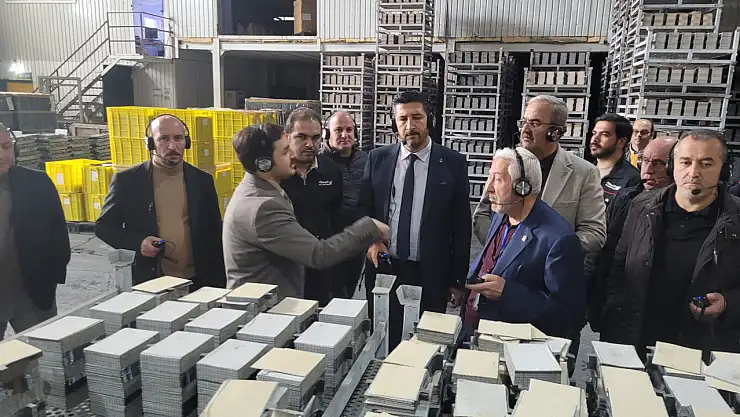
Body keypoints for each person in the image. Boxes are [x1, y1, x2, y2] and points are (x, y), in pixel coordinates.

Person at [605, 130, 740, 356]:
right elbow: (619, 265)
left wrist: (728, 304)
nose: (693, 172)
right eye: (685, 162)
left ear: (724, 170)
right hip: (636, 339)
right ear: (672, 166)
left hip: (702, 347)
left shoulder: (736, 218)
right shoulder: (641, 206)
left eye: (706, 164)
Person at [359, 91, 471, 350]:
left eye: (417, 117)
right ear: (394, 124)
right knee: (382, 339)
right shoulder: (377, 159)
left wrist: (457, 281)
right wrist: (372, 241)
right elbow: (363, 210)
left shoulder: (452, 163)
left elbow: (461, 226)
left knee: (426, 345)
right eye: (403, 119)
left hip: (431, 273)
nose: (410, 125)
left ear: (429, 120)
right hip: (386, 267)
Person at [223, 124, 389, 298]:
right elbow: (318, 255)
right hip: (264, 309)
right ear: (264, 164)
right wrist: (370, 227)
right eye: (285, 151)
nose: (292, 155)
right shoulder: (263, 207)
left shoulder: (260, 191)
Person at [464, 147, 585, 338]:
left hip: (511, 343)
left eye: (498, 179)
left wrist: (508, 293)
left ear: (522, 187)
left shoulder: (559, 239)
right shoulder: (502, 214)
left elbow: (568, 315)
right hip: (476, 332)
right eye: (490, 177)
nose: (488, 188)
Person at [95, 114, 225, 289]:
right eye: (164, 139)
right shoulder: (128, 181)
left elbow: (215, 233)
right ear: (150, 144)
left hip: (198, 281)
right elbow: (104, 227)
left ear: (186, 142)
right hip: (152, 281)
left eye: (178, 138)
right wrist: (139, 242)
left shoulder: (202, 181)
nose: (172, 146)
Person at [474, 95, 606, 254]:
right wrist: (500, 247)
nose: (525, 130)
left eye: (535, 123)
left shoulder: (584, 173)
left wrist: (548, 250)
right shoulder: (504, 162)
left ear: (555, 132)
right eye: (524, 122)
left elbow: (594, 233)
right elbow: (482, 215)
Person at [585, 137, 677, 333]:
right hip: (617, 309)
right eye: (645, 160)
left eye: (658, 163)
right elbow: (603, 249)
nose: (648, 170)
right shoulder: (626, 198)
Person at [0, 124, 70, 339]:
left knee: (43, 352)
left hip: (31, 295)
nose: (1, 155)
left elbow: (59, 235)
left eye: (6, 147)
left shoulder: (37, 183)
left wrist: (51, 279)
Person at [280, 108, 344, 306]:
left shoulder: (330, 171)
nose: (310, 144)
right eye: (301, 137)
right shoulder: (275, 174)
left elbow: (336, 218)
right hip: (285, 267)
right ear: (287, 136)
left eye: (315, 137)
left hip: (320, 266)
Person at [319, 110, 369, 298]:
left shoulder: (365, 160)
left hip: (358, 240)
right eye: (338, 130)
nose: (344, 135)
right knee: (331, 292)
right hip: (329, 242)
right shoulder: (318, 162)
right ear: (327, 134)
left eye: (349, 130)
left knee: (349, 290)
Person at [590, 113, 641, 206]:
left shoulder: (632, 180)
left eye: (604, 135)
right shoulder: (584, 171)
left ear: (621, 142)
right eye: (594, 133)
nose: (595, 139)